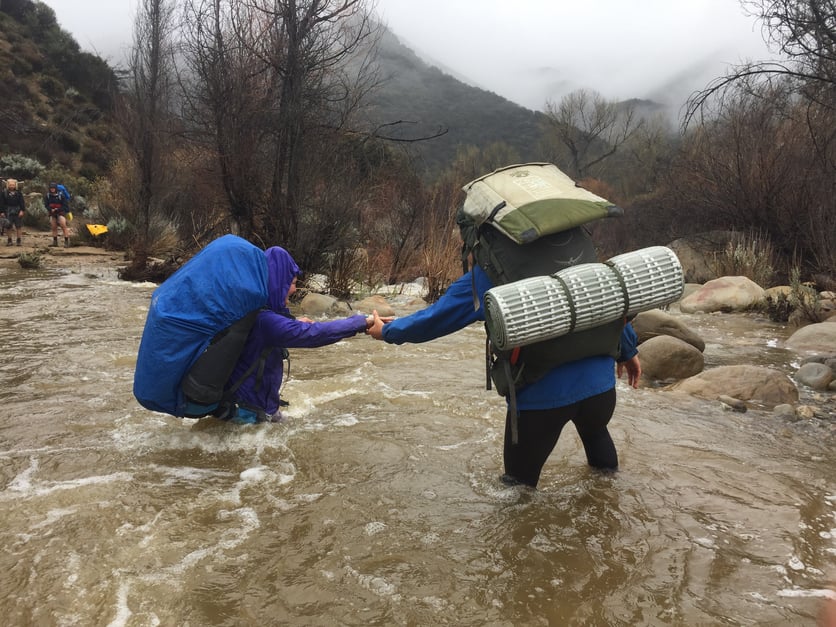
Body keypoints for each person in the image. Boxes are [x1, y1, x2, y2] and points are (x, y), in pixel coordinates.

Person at [367, 255, 642, 489]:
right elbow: (606, 303)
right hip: (600, 389)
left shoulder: (492, 272)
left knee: (517, 494)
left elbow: (438, 318)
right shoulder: (577, 253)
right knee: (602, 467)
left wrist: (388, 331)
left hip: (541, 400)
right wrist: (629, 351)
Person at [216, 245, 392, 424]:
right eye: (291, 283)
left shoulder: (252, 310)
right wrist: (361, 321)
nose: (294, 290)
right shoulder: (266, 321)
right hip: (248, 415)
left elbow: (269, 331)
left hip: (241, 407)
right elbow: (314, 334)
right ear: (277, 283)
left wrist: (293, 322)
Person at [44, 182, 70, 248]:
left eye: (53, 188)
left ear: (56, 188)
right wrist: (50, 209)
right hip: (52, 213)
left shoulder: (61, 196)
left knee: (63, 225)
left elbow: (65, 206)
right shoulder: (48, 196)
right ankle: (55, 242)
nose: (52, 189)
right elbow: (46, 205)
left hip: (60, 212)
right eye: (51, 188)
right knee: (53, 227)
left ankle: (66, 242)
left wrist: (58, 209)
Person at [2, 179, 26, 246]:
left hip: (17, 210)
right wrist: (2, 212)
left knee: (18, 226)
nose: (11, 186)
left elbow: (22, 202)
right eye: (10, 185)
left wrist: (22, 210)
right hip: (8, 211)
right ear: (8, 185)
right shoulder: (4, 193)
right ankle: (9, 240)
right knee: (8, 226)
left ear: (15, 185)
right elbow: (2, 203)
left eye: (13, 185)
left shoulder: (19, 193)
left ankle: (19, 240)